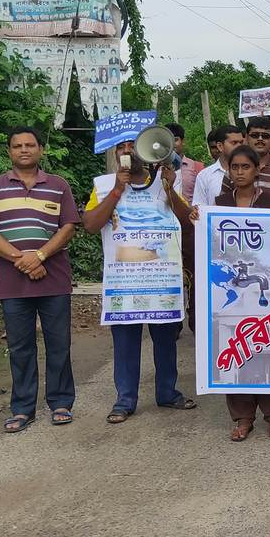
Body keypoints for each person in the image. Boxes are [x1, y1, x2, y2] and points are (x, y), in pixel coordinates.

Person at [83, 138, 197, 423]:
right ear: (115, 153)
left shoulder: (165, 181)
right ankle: (125, 400)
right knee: (125, 343)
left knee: (166, 340)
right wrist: (117, 190)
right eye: (121, 147)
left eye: (132, 145)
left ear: (145, 150)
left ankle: (167, 392)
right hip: (125, 282)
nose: (126, 151)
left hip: (161, 279)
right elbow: (90, 225)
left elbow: (187, 222)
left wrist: (169, 188)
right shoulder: (104, 185)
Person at [0, 127, 80, 433]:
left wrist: (41, 256)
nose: (24, 150)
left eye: (30, 145)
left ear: (40, 149)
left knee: (58, 344)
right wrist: (22, 260)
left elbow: (69, 226)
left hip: (54, 279)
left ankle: (60, 402)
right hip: (12, 282)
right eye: (17, 145)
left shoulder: (58, 185)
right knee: (20, 347)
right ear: (9, 151)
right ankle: (22, 409)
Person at [215, 145, 270, 441]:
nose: (239, 172)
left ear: (257, 169)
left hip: (265, 287)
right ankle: (243, 417)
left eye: (245, 167)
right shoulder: (219, 204)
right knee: (236, 348)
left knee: (268, 343)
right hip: (232, 290)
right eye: (234, 167)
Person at [191, 123, 244, 209]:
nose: (239, 146)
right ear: (220, 146)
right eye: (234, 143)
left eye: (241, 142)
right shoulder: (204, 176)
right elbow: (199, 209)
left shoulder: (251, 172)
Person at [167, 123, 203, 203]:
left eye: (175, 140)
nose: (171, 144)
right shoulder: (156, 169)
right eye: (167, 140)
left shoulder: (197, 167)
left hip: (189, 211)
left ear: (183, 141)